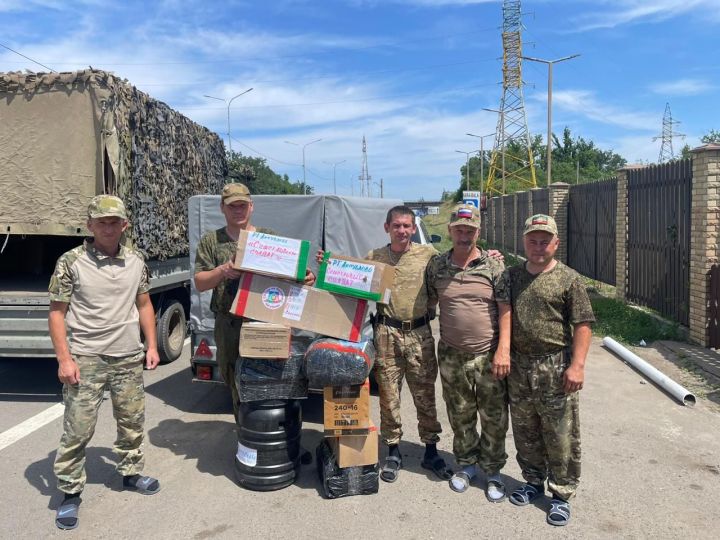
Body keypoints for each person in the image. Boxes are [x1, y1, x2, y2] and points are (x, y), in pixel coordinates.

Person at [48, 195, 161, 531]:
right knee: (78, 428)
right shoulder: (71, 262)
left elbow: (144, 304)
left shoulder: (136, 261)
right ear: (90, 225)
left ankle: (130, 473)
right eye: (102, 222)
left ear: (125, 224)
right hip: (86, 356)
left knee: (132, 421)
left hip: (127, 356)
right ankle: (69, 493)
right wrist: (64, 359)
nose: (108, 228)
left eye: (114, 222)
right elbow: (57, 313)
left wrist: (151, 345)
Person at [495, 214, 594, 527]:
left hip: (554, 364)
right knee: (525, 429)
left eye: (544, 240)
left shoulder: (569, 279)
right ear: (524, 241)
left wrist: (577, 366)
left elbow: (583, 324)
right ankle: (533, 481)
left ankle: (562, 494)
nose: (538, 246)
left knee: (559, 432)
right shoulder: (512, 275)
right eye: (532, 240)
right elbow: (505, 314)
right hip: (519, 365)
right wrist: (504, 351)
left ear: (556, 243)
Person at [194, 183, 314, 418]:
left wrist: (308, 276)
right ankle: (245, 432)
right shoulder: (212, 241)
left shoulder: (269, 238)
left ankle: (269, 430)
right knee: (234, 380)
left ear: (251, 207)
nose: (237, 211)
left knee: (270, 378)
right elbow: (200, 282)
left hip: (264, 323)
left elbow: (293, 273)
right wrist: (222, 271)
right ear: (222, 208)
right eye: (232, 206)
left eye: (242, 206)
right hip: (229, 324)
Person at [425, 204, 511, 502]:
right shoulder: (437, 266)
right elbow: (427, 300)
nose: (464, 235)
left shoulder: (494, 266)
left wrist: (503, 350)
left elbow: (505, 310)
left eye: (470, 230)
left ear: (478, 232)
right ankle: (466, 465)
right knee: (460, 413)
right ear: (449, 231)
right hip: (451, 354)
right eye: (459, 230)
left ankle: (493, 471)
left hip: (487, 354)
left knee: (494, 416)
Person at [365, 205, 451, 483]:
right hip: (386, 334)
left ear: (414, 229)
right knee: (389, 397)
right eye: (396, 226)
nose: (402, 231)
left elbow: (457, 267)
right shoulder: (375, 257)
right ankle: (393, 451)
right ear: (387, 228)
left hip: (419, 334)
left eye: (407, 226)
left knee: (425, 395)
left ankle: (431, 450)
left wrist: (488, 255)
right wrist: (324, 267)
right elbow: (348, 279)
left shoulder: (428, 255)